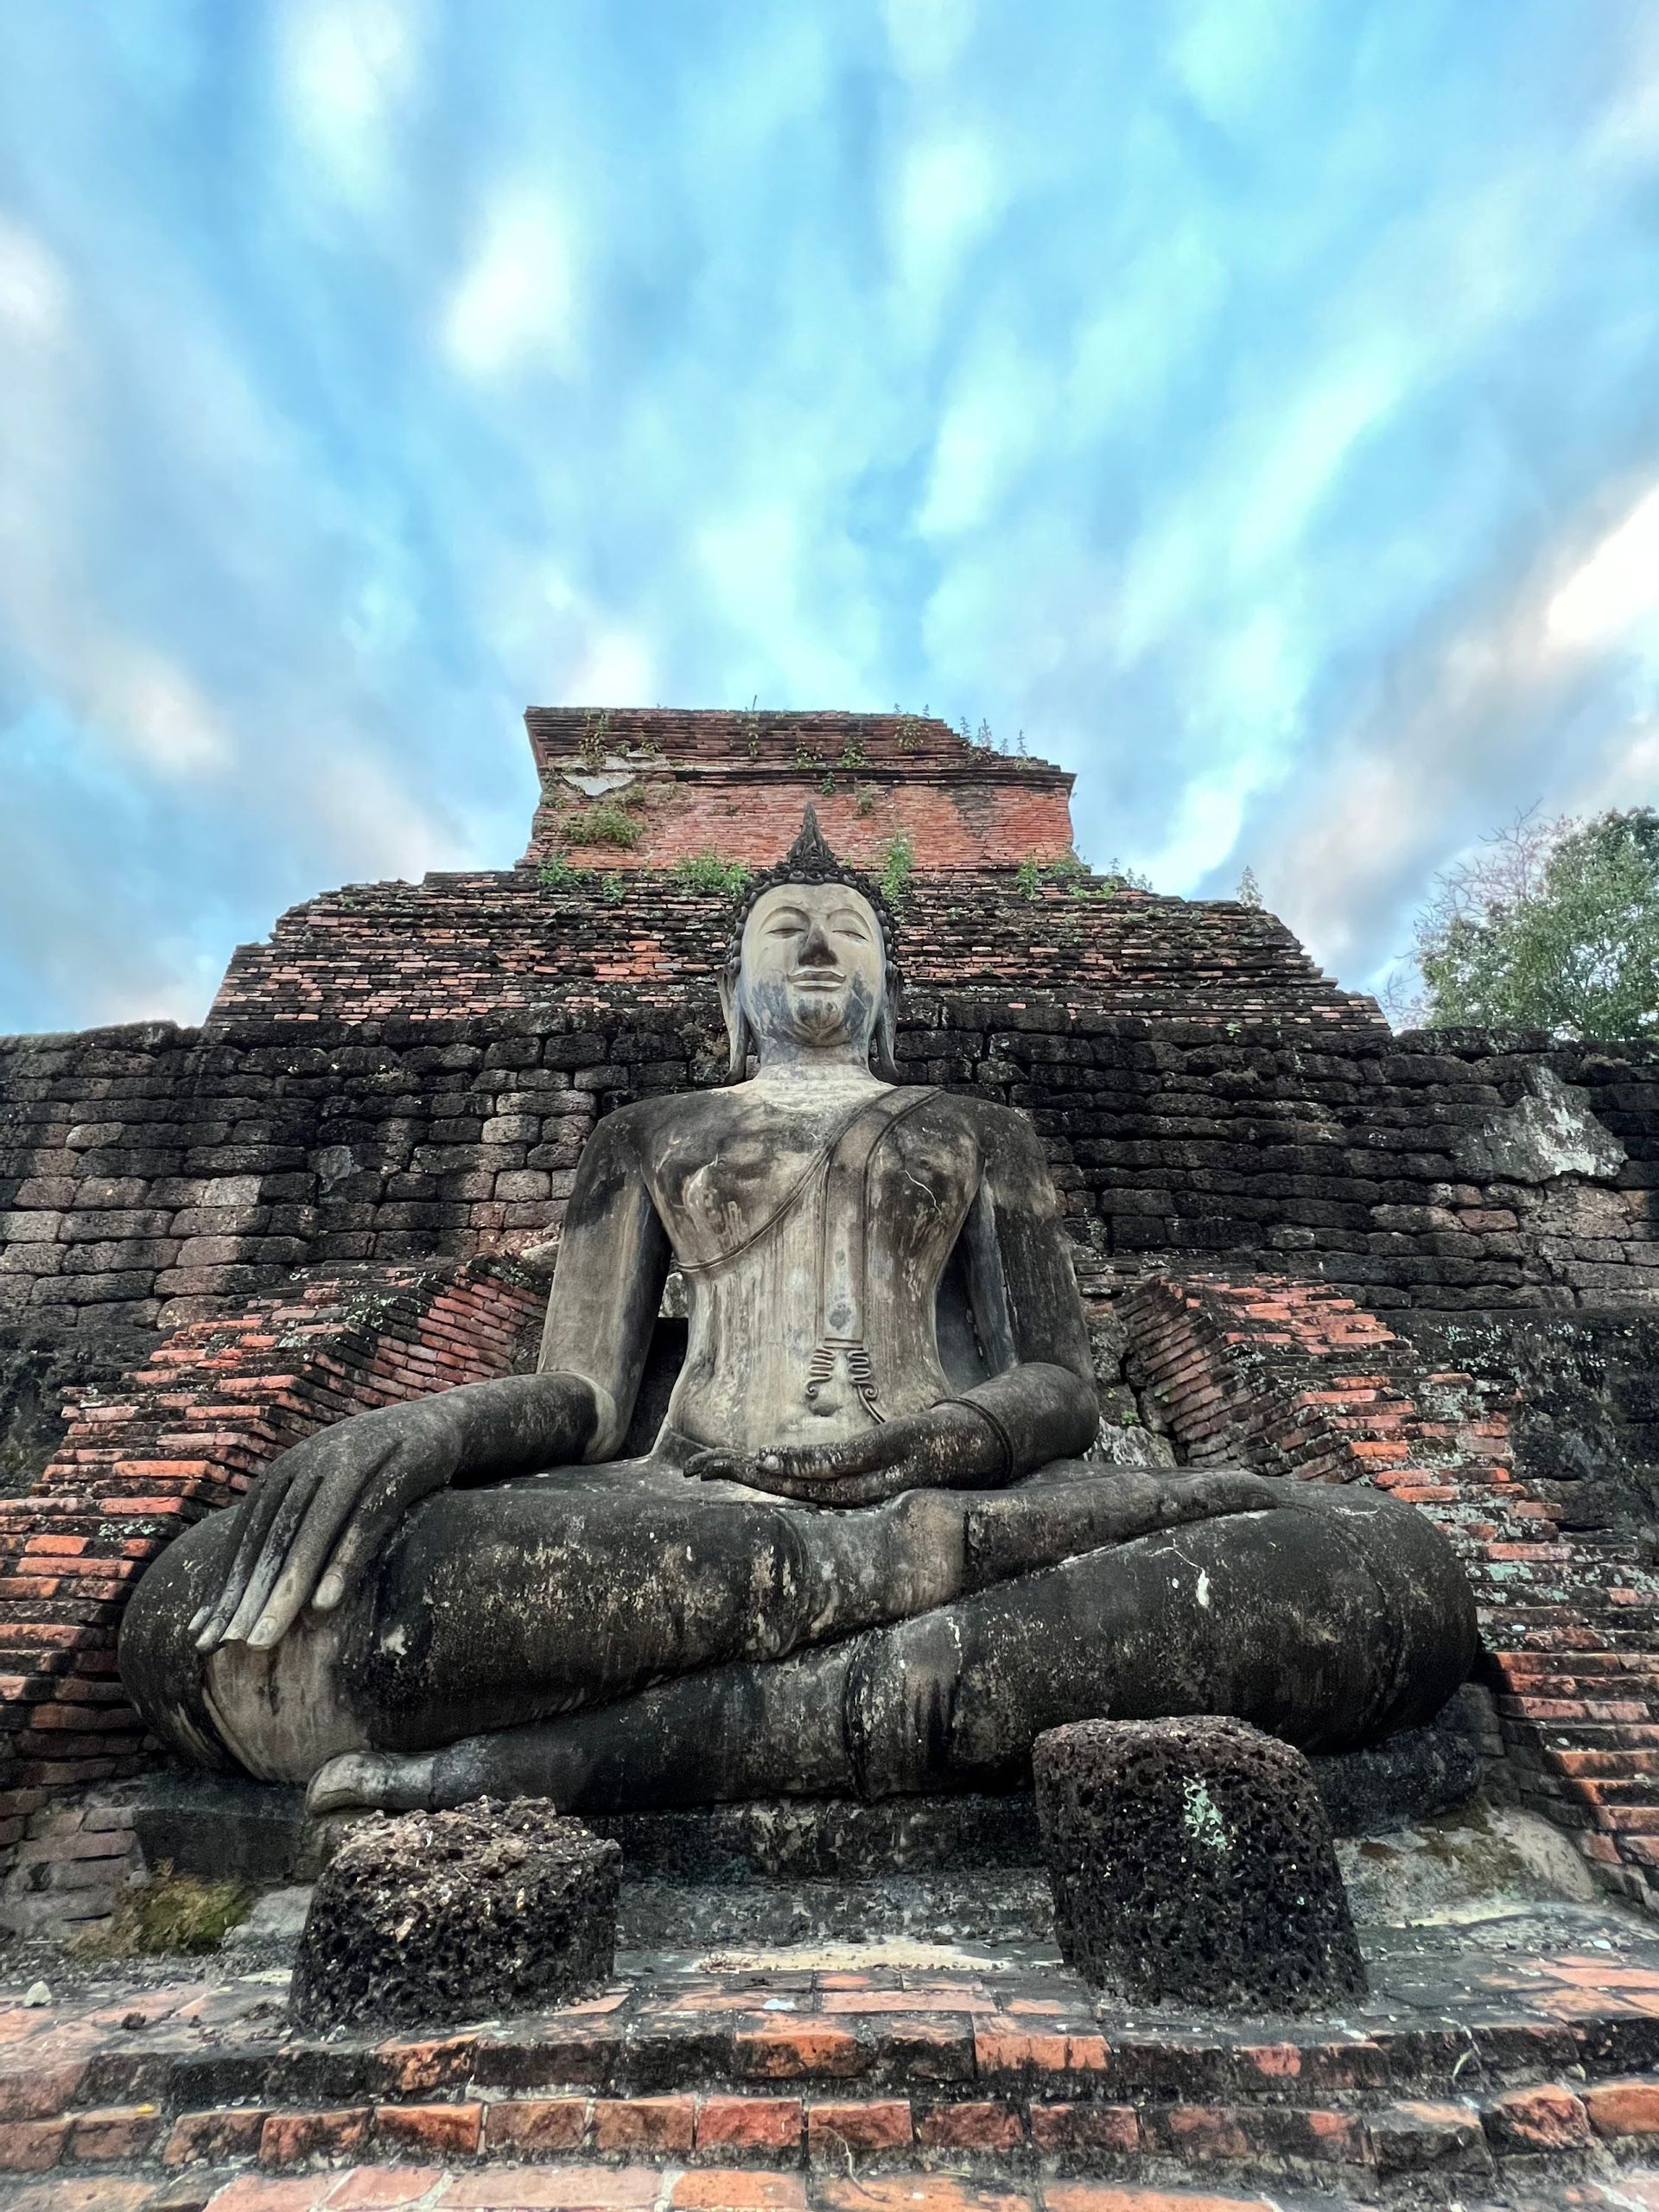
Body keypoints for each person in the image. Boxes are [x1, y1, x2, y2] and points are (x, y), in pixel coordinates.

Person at [121, 815, 1477, 1815]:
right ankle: (893, 1676)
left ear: (888, 990)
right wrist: (441, 1427)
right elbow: (590, 1394)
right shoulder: (648, 1134)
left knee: (1390, 1567)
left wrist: (939, 1446)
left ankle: (577, 1760)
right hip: (694, 1513)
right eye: (785, 925)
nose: (820, 937)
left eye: (850, 929)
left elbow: (1059, 1381)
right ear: (732, 991)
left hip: (955, 1505)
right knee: (209, 1614)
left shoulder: (978, 1130)